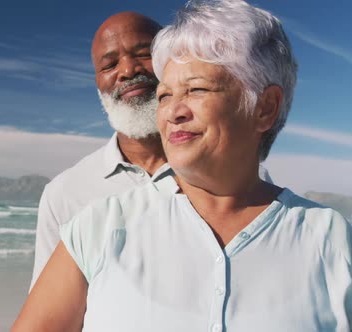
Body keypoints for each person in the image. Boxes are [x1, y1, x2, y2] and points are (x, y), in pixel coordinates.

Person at [13, 0, 352, 331]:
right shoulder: (96, 227)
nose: (174, 111)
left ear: (265, 107)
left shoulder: (327, 237)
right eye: (165, 95)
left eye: (196, 89)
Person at [29, 11, 275, 291]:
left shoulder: (239, 179)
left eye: (144, 53)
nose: (128, 70)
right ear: (97, 82)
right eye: (109, 64)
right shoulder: (65, 193)